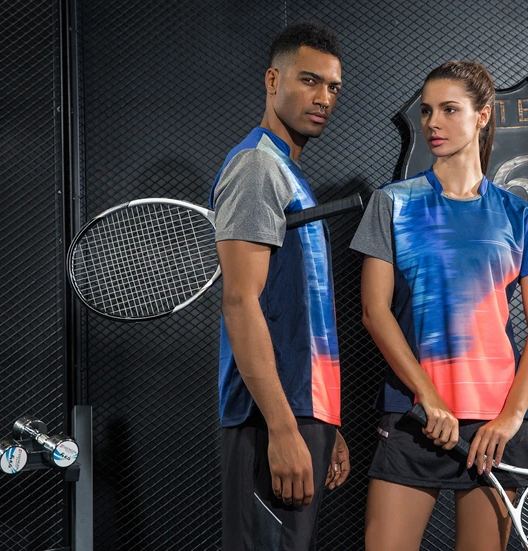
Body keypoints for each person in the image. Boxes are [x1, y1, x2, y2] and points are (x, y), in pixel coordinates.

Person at [350, 61, 528, 551]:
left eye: (449, 110)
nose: (433, 123)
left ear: (482, 116)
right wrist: (428, 396)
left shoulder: (516, 213)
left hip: (494, 427)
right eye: (426, 111)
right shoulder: (392, 203)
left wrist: (510, 418)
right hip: (414, 415)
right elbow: (374, 312)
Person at [210, 22, 350, 551]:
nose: (324, 98)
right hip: (267, 420)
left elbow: (297, 312)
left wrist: (325, 420)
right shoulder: (257, 167)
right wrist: (285, 428)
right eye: (309, 81)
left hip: (299, 412)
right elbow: (239, 301)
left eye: (333, 87)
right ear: (273, 81)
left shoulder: (288, 173)